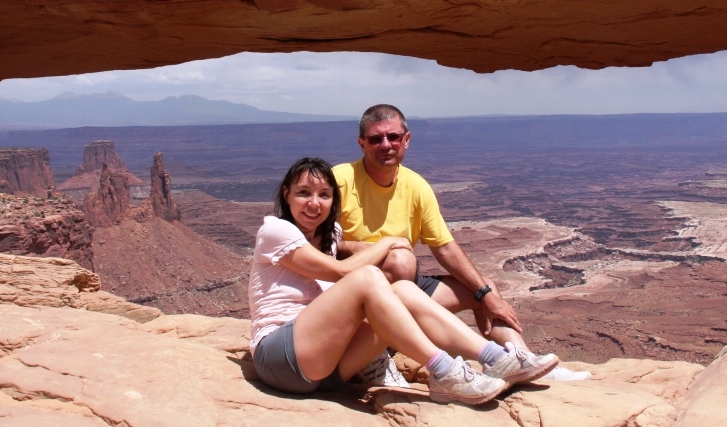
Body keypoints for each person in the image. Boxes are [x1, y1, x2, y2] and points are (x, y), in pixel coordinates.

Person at [248, 157, 559, 405]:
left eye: (323, 195)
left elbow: (338, 254)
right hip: (280, 358)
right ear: (286, 194)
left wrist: (358, 246)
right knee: (368, 278)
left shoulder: (330, 237)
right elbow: (342, 273)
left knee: (402, 290)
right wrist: (389, 242)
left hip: (326, 371)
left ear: (333, 202)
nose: (313, 203)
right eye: (303, 193)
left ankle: (495, 359)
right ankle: (443, 370)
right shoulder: (275, 231)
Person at [334, 105, 591, 383]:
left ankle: (520, 362)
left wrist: (486, 295)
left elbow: (444, 247)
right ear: (362, 144)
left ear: (406, 139)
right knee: (400, 259)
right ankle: (374, 358)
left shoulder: (416, 186)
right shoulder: (340, 180)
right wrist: (365, 248)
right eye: (376, 139)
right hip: (355, 288)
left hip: (405, 285)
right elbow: (313, 241)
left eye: (393, 137)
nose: (386, 145)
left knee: (484, 289)